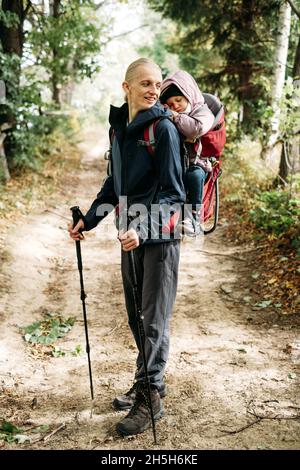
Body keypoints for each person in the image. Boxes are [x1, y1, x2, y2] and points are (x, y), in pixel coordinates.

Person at [69, 58, 185, 437]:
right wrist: (89, 218)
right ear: (127, 87)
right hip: (128, 234)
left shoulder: (164, 129)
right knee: (136, 313)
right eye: (146, 83)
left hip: (159, 237)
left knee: (153, 317)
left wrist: (145, 229)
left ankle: (151, 398)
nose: (154, 90)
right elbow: (113, 185)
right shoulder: (119, 128)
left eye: (158, 84)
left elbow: (174, 194)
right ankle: (147, 380)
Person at [160, 70, 215, 236]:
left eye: (178, 100)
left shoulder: (203, 112)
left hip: (197, 164)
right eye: (169, 104)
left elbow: (196, 129)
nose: (175, 106)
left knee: (194, 176)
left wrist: (175, 117)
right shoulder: (171, 115)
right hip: (175, 164)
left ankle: (193, 217)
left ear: (188, 96)